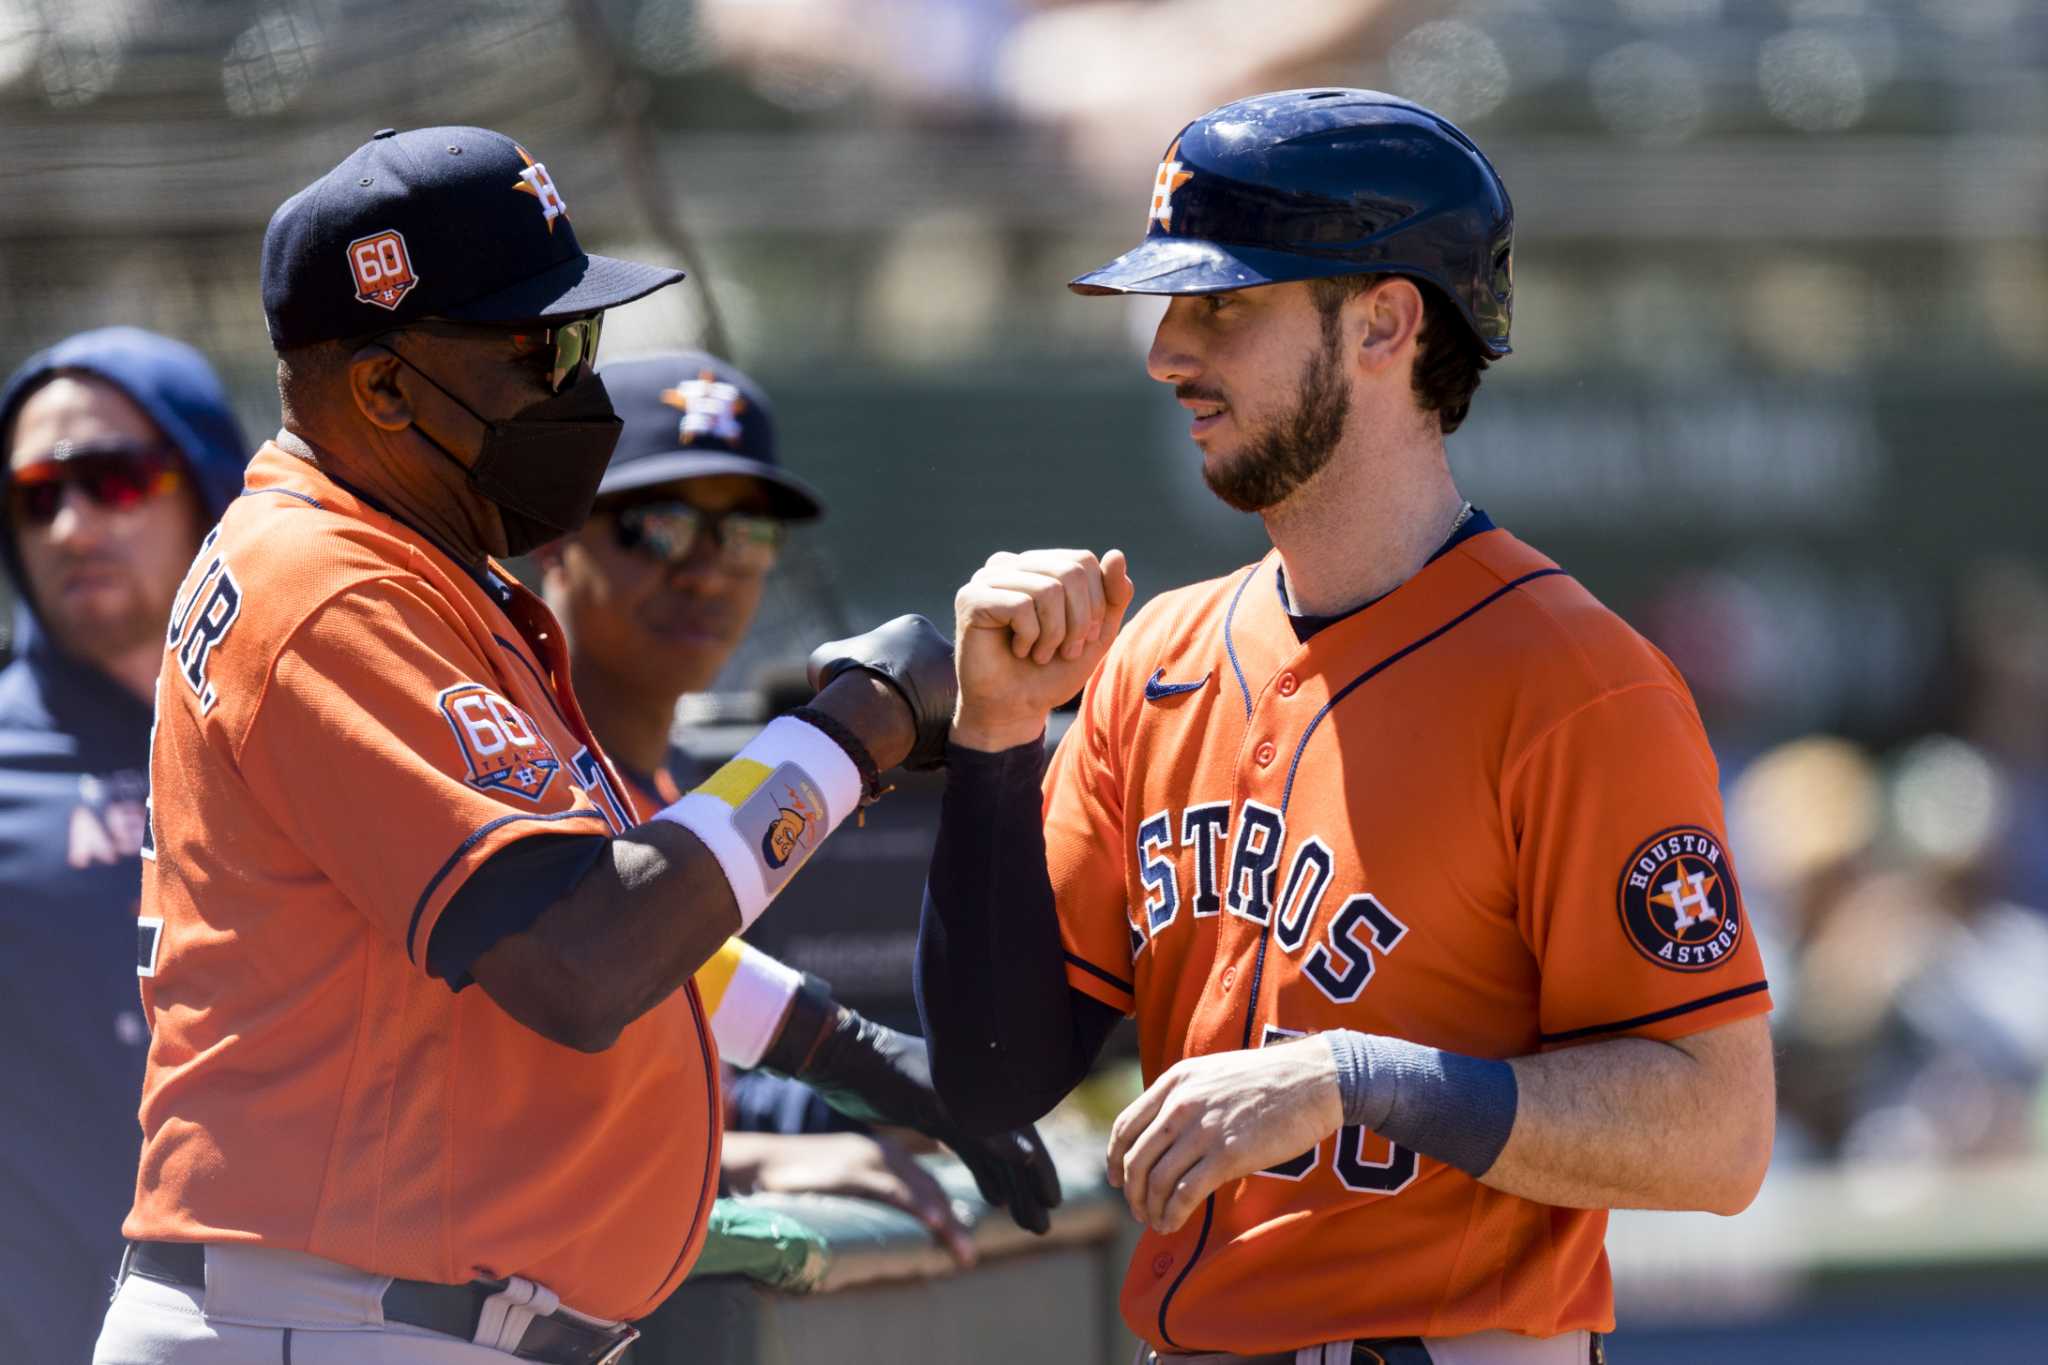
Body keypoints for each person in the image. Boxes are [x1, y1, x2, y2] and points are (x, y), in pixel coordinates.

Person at [94, 126, 997, 1364]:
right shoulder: (331, 589)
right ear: (385, 388)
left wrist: (842, 1050)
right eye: (544, 350)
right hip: (330, 1318)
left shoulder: (399, 569)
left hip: (368, 1312)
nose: (583, 388)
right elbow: (582, 956)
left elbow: (567, 900)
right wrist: (855, 730)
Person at [915, 90, 1776, 1364]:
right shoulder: (1154, 655)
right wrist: (992, 739)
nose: (1165, 352)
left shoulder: (1577, 683)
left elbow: (1715, 1133)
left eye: (1222, 304)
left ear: (1383, 321)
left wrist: (1356, 1080)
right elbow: (988, 1077)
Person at [536, 350, 1057, 1274]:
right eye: (660, 526)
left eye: (744, 536)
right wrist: (747, 1159)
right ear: (553, 530)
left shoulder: (683, 803)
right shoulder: (504, 773)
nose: (707, 572)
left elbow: (679, 1005)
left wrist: (845, 1083)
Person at [0, 327, 247, 1363]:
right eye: (35, 495)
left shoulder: (313, 732)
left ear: (205, 486)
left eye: (114, 478)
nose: (71, 524)